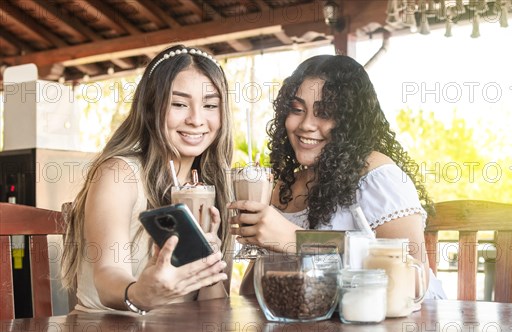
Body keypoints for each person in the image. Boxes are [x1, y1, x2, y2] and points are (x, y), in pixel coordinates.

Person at [229, 54, 445, 299]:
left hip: (403, 329)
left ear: (351, 122)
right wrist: (259, 247)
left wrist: (295, 239)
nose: (306, 125)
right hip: (315, 328)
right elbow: (249, 293)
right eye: (297, 110)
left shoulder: (377, 175)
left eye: (325, 113)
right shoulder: (282, 189)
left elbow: (413, 281)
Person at [61, 44, 234, 313]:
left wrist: (207, 261)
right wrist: (141, 293)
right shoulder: (119, 175)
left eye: (210, 105)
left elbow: (214, 308)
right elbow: (108, 275)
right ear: (152, 107)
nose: (197, 119)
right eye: (179, 104)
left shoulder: (216, 188)